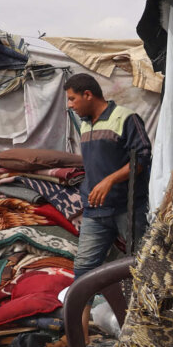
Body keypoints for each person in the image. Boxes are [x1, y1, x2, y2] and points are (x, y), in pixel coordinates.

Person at [64, 73, 152, 279]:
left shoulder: (126, 118)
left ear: (87, 94)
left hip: (127, 208)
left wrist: (110, 180)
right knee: (84, 269)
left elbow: (142, 158)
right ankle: (83, 313)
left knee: (144, 263)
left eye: (72, 98)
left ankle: (146, 309)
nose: (69, 105)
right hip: (95, 211)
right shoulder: (84, 125)